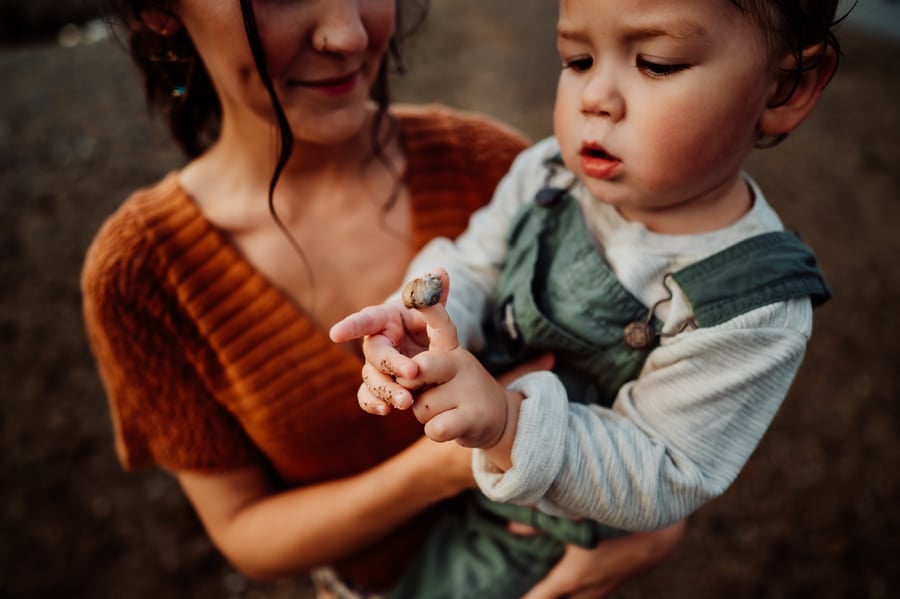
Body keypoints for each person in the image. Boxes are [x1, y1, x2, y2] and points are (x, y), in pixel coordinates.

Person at [81, 1, 687, 597]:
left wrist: (658, 528)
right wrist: (458, 459)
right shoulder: (142, 277)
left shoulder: (495, 170)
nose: (347, 33)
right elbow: (244, 532)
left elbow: (660, 375)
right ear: (159, 11)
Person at [330, 0, 842, 596]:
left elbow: (664, 470)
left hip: (534, 536)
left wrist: (508, 424)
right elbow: (475, 263)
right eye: (578, 58)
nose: (595, 96)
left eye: (655, 63)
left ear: (788, 87)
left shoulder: (753, 303)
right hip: (439, 458)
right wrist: (420, 319)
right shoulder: (548, 172)